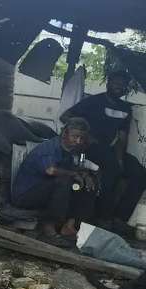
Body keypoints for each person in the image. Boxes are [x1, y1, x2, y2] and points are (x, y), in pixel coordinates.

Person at [61, 70, 146, 233]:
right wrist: (85, 134)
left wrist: (121, 159)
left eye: (122, 85)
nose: (118, 87)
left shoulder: (125, 109)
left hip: (111, 149)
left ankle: (120, 217)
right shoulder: (93, 102)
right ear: (108, 83)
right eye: (116, 82)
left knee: (139, 173)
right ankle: (103, 217)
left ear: (126, 88)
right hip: (90, 147)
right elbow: (65, 116)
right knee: (111, 169)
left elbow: (121, 137)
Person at [13, 118, 97, 247]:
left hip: (47, 192)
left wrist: (84, 175)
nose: (78, 141)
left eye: (81, 138)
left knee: (86, 186)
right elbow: (51, 171)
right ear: (64, 133)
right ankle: (48, 230)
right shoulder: (49, 148)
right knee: (63, 182)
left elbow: (71, 170)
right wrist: (75, 174)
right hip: (26, 195)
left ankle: (69, 225)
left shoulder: (69, 152)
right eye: (75, 136)